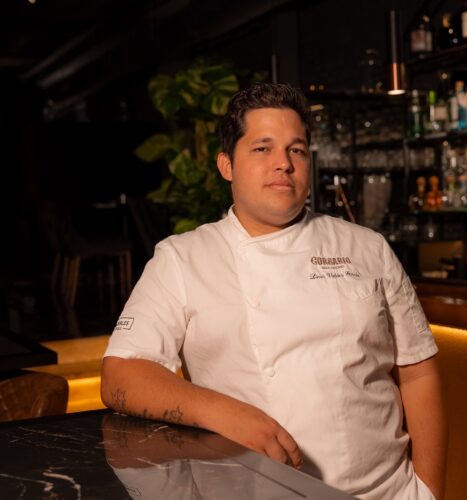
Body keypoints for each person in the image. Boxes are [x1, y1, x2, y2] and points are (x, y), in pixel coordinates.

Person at [101, 83, 447, 500]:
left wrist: (428, 492)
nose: (283, 163)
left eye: (296, 150)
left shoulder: (367, 247)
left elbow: (418, 371)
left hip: (387, 493)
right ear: (226, 165)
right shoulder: (182, 258)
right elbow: (121, 375)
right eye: (262, 149)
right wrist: (223, 413)